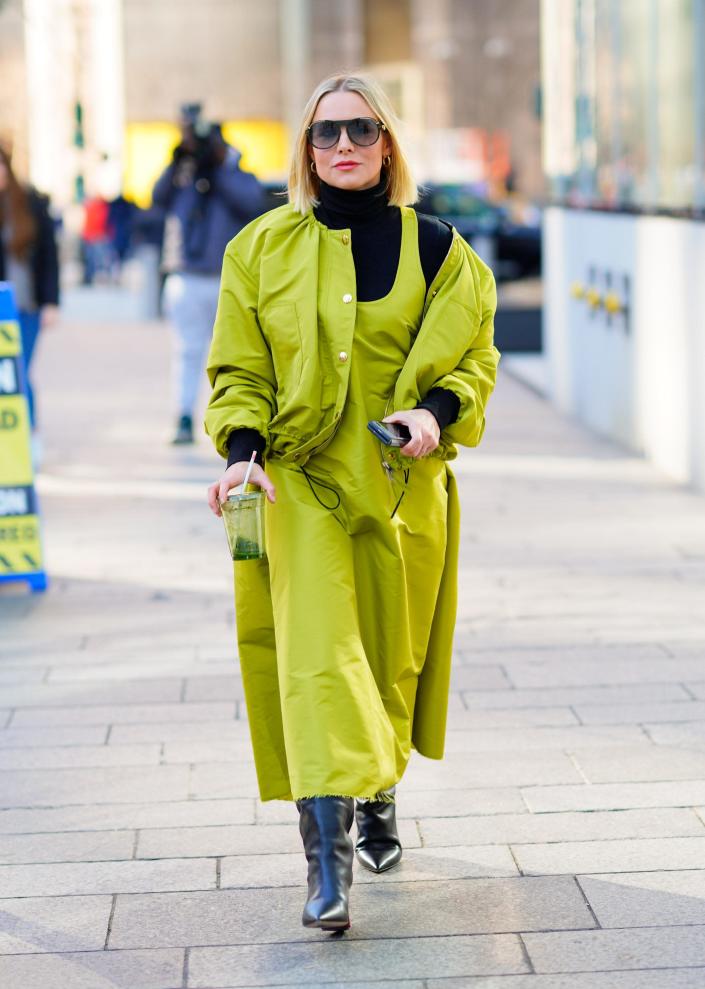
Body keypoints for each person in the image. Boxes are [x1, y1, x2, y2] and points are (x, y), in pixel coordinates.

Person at [205, 74, 499, 931]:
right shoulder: (258, 249)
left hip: (401, 487)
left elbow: (474, 358)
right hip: (296, 481)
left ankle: (379, 791)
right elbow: (239, 369)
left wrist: (434, 413)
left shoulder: (440, 247)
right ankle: (325, 869)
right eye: (326, 132)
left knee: (383, 658)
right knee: (316, 657)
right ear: (305, 148)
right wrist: (241, 453)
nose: (343, 146)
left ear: (386, 144)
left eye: (361, 131)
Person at [152, 104, 265, 445]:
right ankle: (184, 416)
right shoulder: (184, 174)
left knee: (235, 354)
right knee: (187, 351)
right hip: (185, 274)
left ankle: (235, 423)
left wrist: (218, 168)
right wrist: (176, 161)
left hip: (226, 279)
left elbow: (252, 202)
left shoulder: (233, 174)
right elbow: (157, 199)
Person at [0, 146, 59, 438]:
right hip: (1, 305)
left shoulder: (30, 203)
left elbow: (49, 255)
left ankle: (30, 434)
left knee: (19, 369)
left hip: (26, 305)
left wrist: (51, 302)